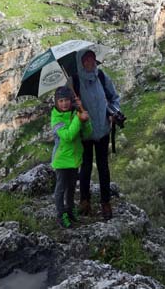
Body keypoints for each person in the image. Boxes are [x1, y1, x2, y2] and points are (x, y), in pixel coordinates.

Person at [73, 48, 120, 220]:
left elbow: (114, 98)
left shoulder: (101, 77)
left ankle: (105, 203)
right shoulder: (74, 82)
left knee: (103, 167)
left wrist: (114, 113)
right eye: (86, 60)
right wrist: (76, 109)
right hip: (85, 132)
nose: (90, 62)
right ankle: (84, 201)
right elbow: (65, 107)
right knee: (85, 167)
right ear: (81, 62)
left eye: (92, 59)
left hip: (102, 129)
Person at [51, 86, 92, 229]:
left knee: (71, 187)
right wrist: (78, 119)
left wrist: (84, 118)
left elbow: (87, 133)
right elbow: (67, 136)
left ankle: (70, 210)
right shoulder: (56, 118)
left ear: (71, 100)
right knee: (61, 189)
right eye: (61, 101)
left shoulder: (75, 113)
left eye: (67, 100)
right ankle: (60, 214)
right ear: (56, 102)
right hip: (62, 160)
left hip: (74, 159)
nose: (64, 103)